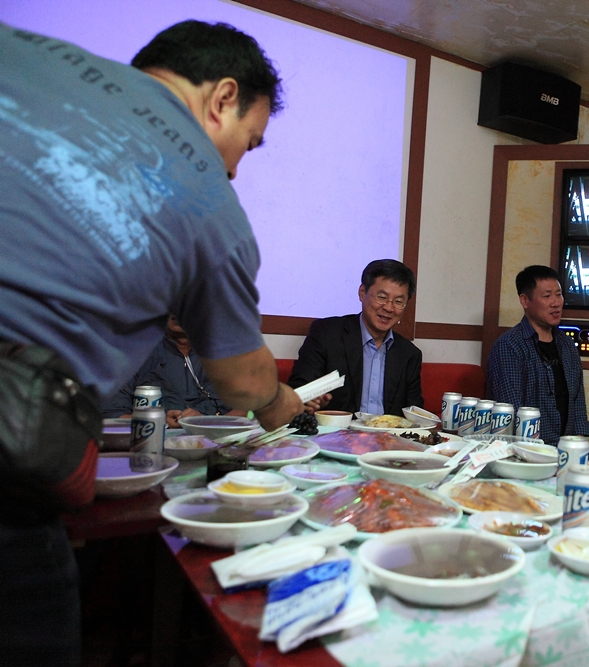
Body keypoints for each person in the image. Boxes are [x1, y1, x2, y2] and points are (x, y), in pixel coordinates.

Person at [0, 20, 305, 665]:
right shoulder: (209, 200)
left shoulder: (23, 50)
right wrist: (286, 406)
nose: (235, 169)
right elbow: (243, 383)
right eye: (248, 144)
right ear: (223, 98)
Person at [287, 259, 423, 416]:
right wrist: (312, 402)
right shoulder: (326, 334)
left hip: (389, 432)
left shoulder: (409, 354)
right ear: (362, 292)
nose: (389, 307)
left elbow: (415, 413)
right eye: (381, 297)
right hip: (338, 430)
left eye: (398, 302)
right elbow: (298, 392)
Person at [487, 265, 589, 448]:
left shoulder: (567, 345)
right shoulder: (509, 346)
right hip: (525, 450)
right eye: (547, 296)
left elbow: (578, 406)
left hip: (566, 450)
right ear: (525, 300)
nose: (556, 303)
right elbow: (509, 413)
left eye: (559, 295)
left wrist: (577, 449)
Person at [101, 316, 246, 428]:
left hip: (213, 442)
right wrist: (158, 422)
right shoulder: (135, 352)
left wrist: (205, 423)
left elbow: (242, 408)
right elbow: (112, 413)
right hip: (153, 441)